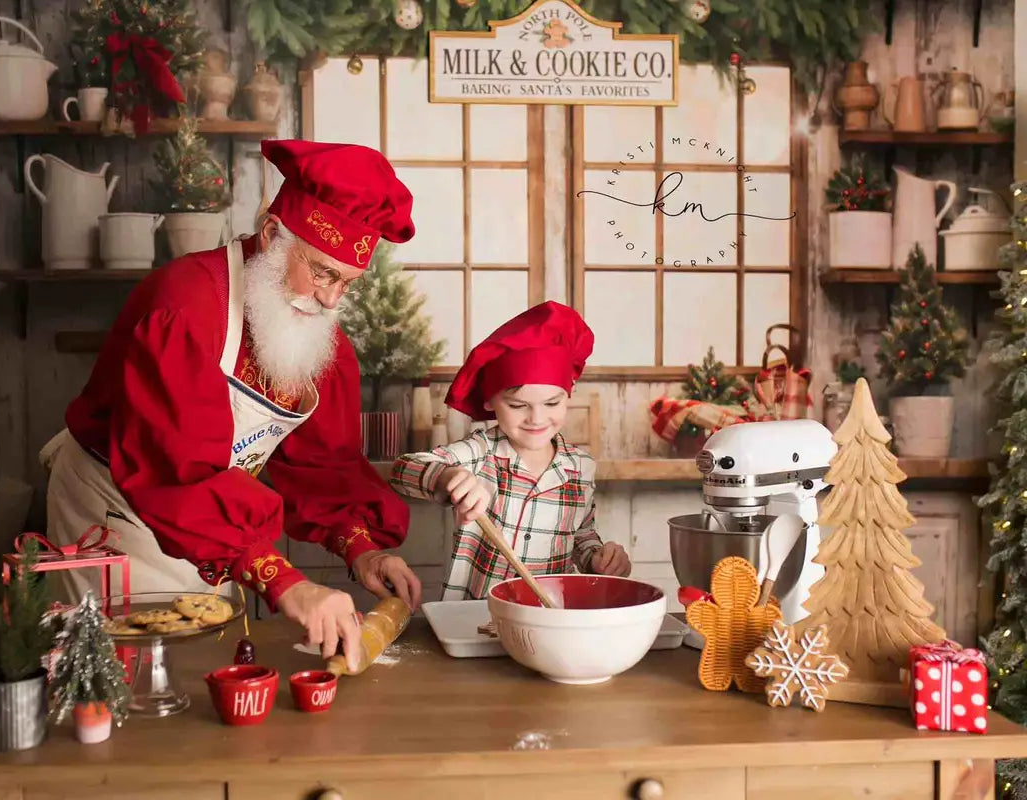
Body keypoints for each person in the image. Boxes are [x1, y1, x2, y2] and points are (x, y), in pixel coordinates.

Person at [40, 139, 424, 671]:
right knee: (121, 676)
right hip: (117, 508)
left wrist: (362, 547)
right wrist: (282, 579)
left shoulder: (316, 334)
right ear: (272, 235)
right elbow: (173, 468)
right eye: (322, 272)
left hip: (211, 522)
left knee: (200, 669)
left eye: (348, 283)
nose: (331, 300)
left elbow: (322, 466)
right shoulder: (185, 306)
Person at [388, 301, 631, 601]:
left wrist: (598, 558)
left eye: (552, 403)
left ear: (569, 394)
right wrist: (443, 476)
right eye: (518, 405)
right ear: (490, 401)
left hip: (546, 616)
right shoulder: (480, 452)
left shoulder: (580, 467)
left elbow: (581, 535)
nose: (537, 419)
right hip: (477, 616)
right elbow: (402, 469)